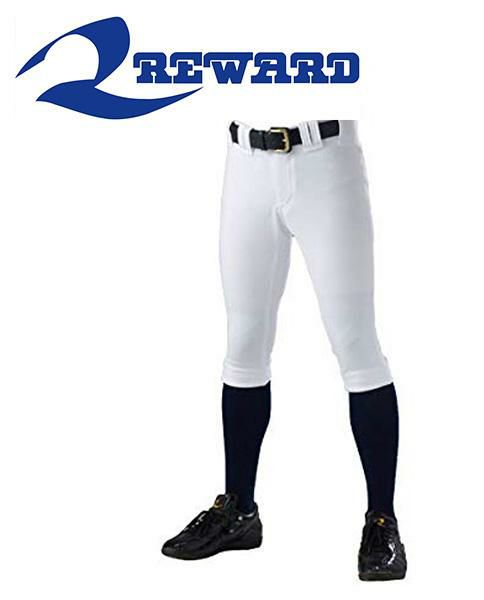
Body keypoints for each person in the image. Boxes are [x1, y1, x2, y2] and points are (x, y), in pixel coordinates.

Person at [161, 120, 407, 581]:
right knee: (244, 343)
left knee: (356, 345)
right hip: (246, 160)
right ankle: (239, 509)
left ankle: (382, 520)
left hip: (325, 158)